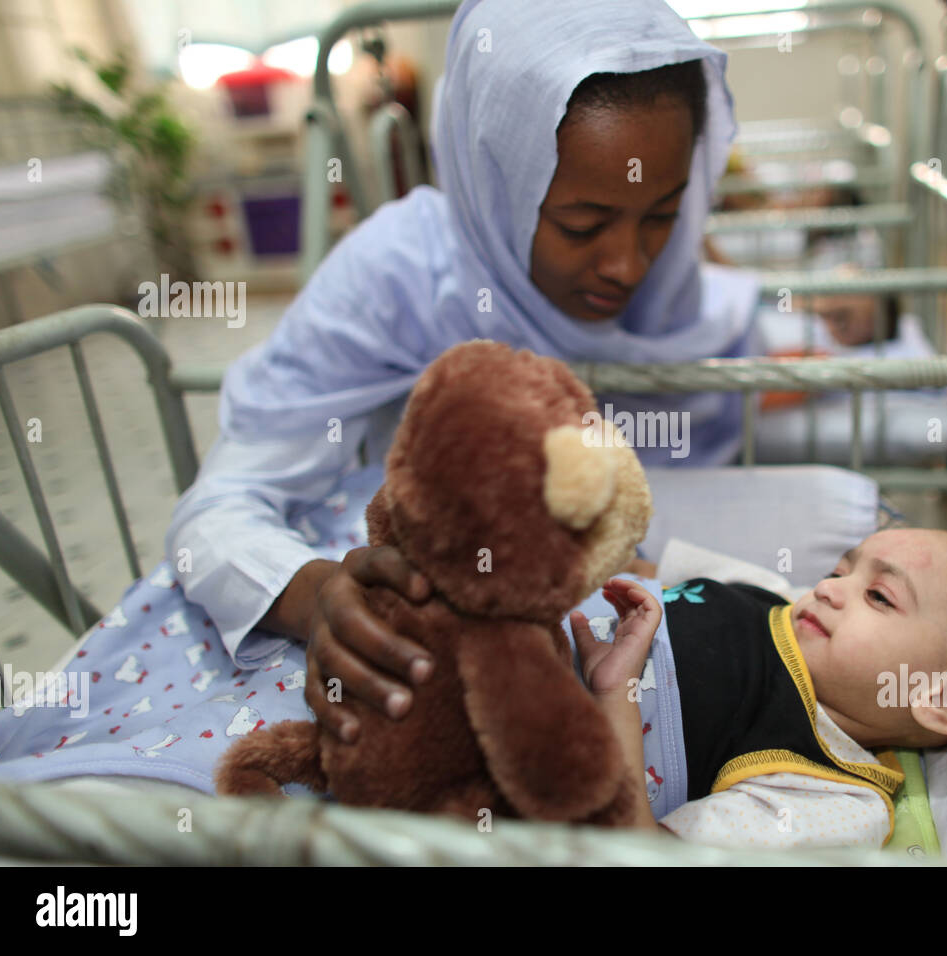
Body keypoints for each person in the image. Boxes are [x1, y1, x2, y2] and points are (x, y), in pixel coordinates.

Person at [165, 0, 762, 744]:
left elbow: (716, 335)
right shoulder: (397, 278)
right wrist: (310, 594)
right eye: (582, 225)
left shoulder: (673, 279)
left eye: (663, 214)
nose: (627, 264)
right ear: (494, 182)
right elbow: (216, 507)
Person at [571, 528, 947, 846]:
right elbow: (633, 564)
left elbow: (638, 852)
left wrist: (616, 696)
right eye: (840, 571)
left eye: (878, 596)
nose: (827, 588)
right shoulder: (771, 591)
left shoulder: (833, 798)